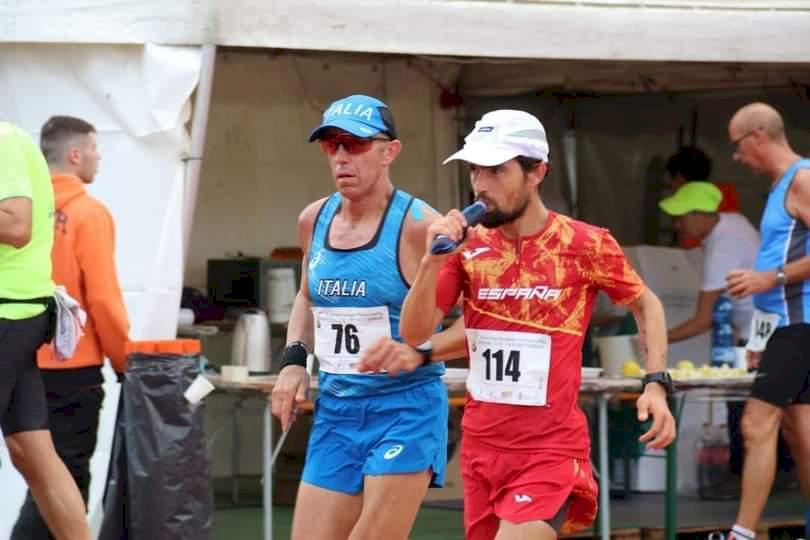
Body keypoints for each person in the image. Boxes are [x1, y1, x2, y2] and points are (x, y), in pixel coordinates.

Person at [398, 109, 677, 539]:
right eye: (475, 170)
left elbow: (647, 305)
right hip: (481, 448)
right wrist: (432, 263)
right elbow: (415, 334)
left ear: (537, 172)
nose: (481, 184)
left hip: (550, 450)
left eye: (496, 170)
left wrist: (655, 383)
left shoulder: (584, 244)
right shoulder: (465, 249)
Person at [269, 94, 465, 540]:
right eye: (331, 145)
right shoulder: (313, 219)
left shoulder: (420, 225)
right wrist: (294, 359)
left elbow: (475, 318)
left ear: (389, 151)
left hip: (404, 409)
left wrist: (422, 350)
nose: (341, 157)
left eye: (355, 144)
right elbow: (306, 295)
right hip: (337, 410)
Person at [11, 116, 130, 539]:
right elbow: (102, 298)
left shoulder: (22, 211)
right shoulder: (87, 213)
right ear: (75, 155)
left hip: (21, 354)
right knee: (63, 474)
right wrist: (124, 359)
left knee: (40, 469)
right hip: (71, 365)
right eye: (95, 148)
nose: (99, 156)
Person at [0, 120, 91, 540]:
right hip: (20, 312)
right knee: (32, 451)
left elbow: (16, 225)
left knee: (36, 454)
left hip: (9, 310)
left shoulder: (3, 141)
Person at [723, 102, 810, 540]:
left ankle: (741, 534)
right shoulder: (781, 185)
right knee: (800, 432)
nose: (737, 156)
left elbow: (778, 272)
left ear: (758, 136)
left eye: (738, 146)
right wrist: (761, 334)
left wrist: (768, 277)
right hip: (785, 325)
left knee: (756, 424)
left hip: (800, 325)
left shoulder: (802, 179)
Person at [665, 146, 741, 248]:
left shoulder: (689, 207)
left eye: (672, 180)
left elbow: (690, 249)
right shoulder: (727, 193)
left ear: (679, 178)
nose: (671, 186)